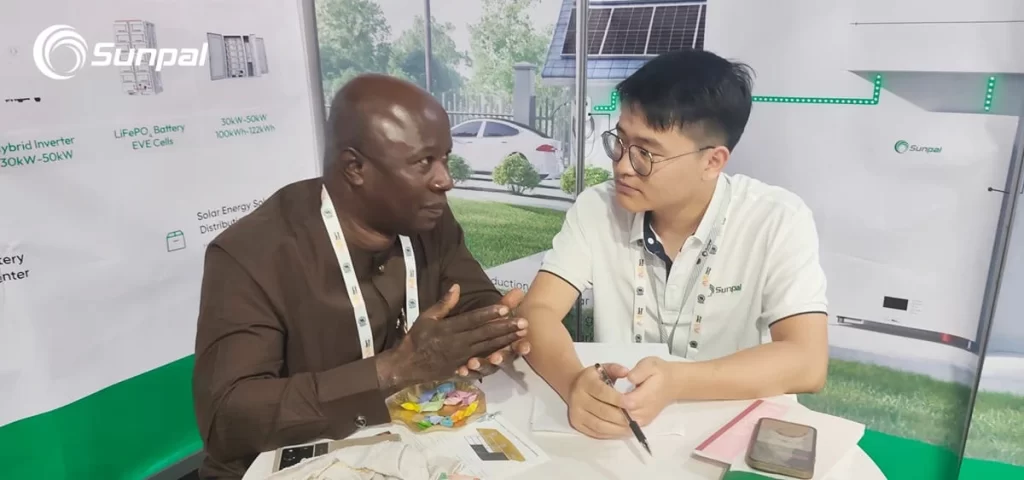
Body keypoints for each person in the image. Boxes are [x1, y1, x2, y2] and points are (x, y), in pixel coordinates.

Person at [192, 74, 530, 479]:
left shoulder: (428, 220)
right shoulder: (254, 253)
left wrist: (491, 333)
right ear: (355, 167)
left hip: (404, 448)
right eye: (424, 162)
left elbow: (473, 300)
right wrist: (396, 369)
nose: (445, 180)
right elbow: (228, 417)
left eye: (445, 157)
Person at [519, 49, 829, 439]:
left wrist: (678, 381)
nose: (622, 166)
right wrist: (572, 384)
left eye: (646, 153)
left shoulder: (775, 219)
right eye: (620, 142)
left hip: (727, 431)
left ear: (713, 161)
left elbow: (807, 362)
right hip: (618, 430)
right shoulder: (598, 208)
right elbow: (539, 310)